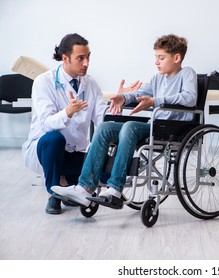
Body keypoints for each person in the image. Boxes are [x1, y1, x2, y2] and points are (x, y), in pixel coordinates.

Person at [51, 34, 197, 209]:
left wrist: (155, 101)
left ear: (176, 58)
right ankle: (85, 188)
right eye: (156, 57)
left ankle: (115, 189)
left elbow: (190, 98)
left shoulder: (187, 73)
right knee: (105, 127)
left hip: (176, 129)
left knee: (130, 127)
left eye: (161, 58)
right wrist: (124, 98)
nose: (156, 62)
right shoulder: (158, 78)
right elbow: (139, 93)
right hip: (156, 127)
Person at [22, 33, 141, 215]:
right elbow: (46, 124)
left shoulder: (90, 83)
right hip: (46, 151)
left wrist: (119, 100)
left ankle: (68, 185)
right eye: (80, 58)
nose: (86, 63)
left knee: (106, 176)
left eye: (88, 57)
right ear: (65, 58)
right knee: (54, 139)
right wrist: (67, 112)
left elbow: (103, 119)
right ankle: (53, 194)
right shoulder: (43, 82)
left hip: (76, 152)